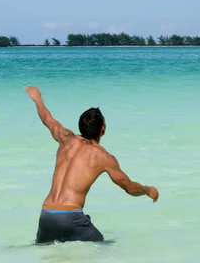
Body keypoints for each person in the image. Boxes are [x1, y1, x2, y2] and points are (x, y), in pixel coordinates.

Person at [25, 86, 159, 244]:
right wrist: (148, 190)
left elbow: (47, 119)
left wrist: (38, 98)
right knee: (106, 248)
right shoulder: (103, 157)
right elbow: (130, 188)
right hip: (70, 216)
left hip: (46, 214)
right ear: (103, 128)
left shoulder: (65, 139)